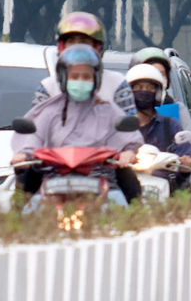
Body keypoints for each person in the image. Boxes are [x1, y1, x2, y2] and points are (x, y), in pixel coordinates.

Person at [12, 44, 143, 203]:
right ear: (63, 78)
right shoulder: (48, 111)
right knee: (27, 213)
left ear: (96, 79)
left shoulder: (109, 111)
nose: (80, 81)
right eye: (75, 77)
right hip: (53, 185)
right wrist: (24, 154)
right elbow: (33, 137)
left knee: (126, 213)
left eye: (86, 77)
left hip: (104, 184)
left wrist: (128, 153)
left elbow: (128, 140)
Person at [33, 12, 136, 114]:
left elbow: (128, 126)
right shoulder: (48, 87)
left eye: (84, 41)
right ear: (62, 47)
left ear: (98, 47)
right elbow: (36, 124)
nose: (77, 47)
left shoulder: (117, 84)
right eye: (72, 41)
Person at [126, 63, 191, 168]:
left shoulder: (170, 125)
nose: (144, 91)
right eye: (138, 87)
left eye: (150, 88)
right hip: (126, 180)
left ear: (158, 93)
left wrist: (186, 162)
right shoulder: (121, 126)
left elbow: (186, 155)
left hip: (164, 181)